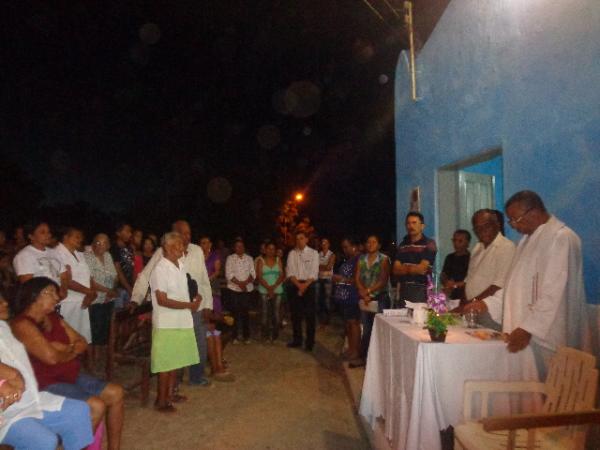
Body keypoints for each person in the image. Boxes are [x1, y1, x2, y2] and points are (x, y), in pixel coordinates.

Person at [11, 277, 124, 450]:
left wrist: (63, 349)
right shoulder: (22, 324)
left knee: (116, 392)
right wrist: (68, 349)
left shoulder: (53, 317)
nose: (57, 298)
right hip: (46, 381)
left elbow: (82, 342)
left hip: (70, 374)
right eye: (52, 293)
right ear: (36, 295)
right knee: (95, 405)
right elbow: (51, 358)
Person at [501, 191, 586, 378]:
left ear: (534, 212)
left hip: (546, 332)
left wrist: (528, 328)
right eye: (511, 221)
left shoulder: (562, 238)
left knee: (554, 388)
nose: (514, 226)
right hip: (524, 330)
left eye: (516, 219)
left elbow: (555, 290)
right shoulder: (526, 240)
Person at [0, 291, 94, 450]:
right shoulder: (20, 324)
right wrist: (8, 377)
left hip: (29, 397)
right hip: (7, 411)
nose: (5, 303)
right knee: (44, 441)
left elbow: (78, 344)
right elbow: (50, 357)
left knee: (79, 411)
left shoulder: (3, 326)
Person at [132, 220, 213, 387]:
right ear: (173, 235)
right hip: (175, 311)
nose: (186, 237)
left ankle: (196, 377)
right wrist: (136, 298)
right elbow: (145, 276)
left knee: (198, 344)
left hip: (195, 308)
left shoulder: (196, 251)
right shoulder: (162, 255)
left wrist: (207, 305)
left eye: (189, 233)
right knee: (177, 349)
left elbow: (203, 280)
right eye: (182, 233)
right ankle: (173, 386)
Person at [148, 232, 201, 411]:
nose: (183, 247)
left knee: (176, 361)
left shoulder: (180, 265)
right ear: (169, 248)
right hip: (166, 323)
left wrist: (195, 298)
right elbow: (162, 299)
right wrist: (189, 305)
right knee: (166, 365)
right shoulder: (160, 269)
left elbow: (184, 290)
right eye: (179, 245)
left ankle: (170, 394)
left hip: (181, 320)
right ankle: (161, 401)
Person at [462, 210, 516, 330]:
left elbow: (498, 286)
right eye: (477, 228)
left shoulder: (506, 247)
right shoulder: (477, 248)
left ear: (497, 225)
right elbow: (469, 280)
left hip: (490, 311)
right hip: (471, 310)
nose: (482, 231)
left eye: (486, 226)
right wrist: (465, 304)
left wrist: (473, 302)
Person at [199, 235, 233, 381]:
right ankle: (215, 364)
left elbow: (217, 271)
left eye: (206, 242)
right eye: (201, 243)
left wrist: (207, 280)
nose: (204, 245)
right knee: (210, 327)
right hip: (202, 294)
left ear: (210, 244)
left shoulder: (214, 255)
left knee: (215, 327)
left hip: (213, 291)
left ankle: (217, 362)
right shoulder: (197, 258)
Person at [84, 234, 119, 371]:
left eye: (103, 243)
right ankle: (91, 361)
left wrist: (112, 290)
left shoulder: (108, 256)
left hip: (108, 299)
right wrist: (107, 291)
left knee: (104, 329)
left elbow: (115, 276)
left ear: (108, 245)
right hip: (95, 298)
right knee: (92, 330)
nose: (100, 245)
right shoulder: (87, 257)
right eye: (97, 242)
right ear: (93, 243)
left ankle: (100, 358)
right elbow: (90, 280)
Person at [355, 235, 391, 367]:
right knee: (366, 329)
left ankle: (378, 362)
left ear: (379, 245)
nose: (370, 244)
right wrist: (363, 292)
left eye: (373, 242)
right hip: (365, 298)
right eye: (368, 242)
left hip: (379, 298)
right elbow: (357, 278)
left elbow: (383, 280)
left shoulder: (384, 259)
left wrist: (368, 292)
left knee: (378, 329)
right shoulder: (361, 259)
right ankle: (364, 357)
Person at [55, 227, 95, 343]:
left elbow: (89, 276)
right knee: (67, 339)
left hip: (83, 301)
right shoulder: (57, 253)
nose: (80, 239)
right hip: (67, 302)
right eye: (76, 236)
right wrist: (89, 292)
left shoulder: (80, 254)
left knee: (81, 339)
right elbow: (66, 280)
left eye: (81, 237)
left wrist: (90, 294)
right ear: (65, 237)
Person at [12, 221, 69, 299]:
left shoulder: (54, 252)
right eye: (43, 232)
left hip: (59, 299)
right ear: (31, 236)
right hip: (41, 302)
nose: (48, 235)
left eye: (49, 232)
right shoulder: (24, 255)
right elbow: (28, 284)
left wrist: (63, 290)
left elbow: (64, 275)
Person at [392, 212, 437, 304]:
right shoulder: (402, 245)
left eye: (414, 223)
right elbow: (395, 270)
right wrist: (413, 269)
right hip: (403, 289)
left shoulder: (429, 244)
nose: (410, 226)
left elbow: (422, 269)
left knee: (418, 317)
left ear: (422, 226)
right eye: (408, 223)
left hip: (421, 289)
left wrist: (404, 268)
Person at [285, 231, 319, 351]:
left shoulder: (314, 253)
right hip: (295, 285)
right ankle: (297, 340)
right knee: (295, 315)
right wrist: (299, 286)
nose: (299, 240)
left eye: (301, 238)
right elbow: (290, 272)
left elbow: (314, 272)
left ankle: (310, 342)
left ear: (306, 240)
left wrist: (304, 286)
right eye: (297, 238)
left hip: (309, 285)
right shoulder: (291, 254)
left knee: (310, 316)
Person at [332, 238, 361, 363]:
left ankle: (355, 351)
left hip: (352, 296)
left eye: (346, 247)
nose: (344, 249)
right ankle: (350, 348)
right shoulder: (348, 260)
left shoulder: (358, 260)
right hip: (345, 298)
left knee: (353, 323)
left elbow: (357, 280)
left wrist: (341, 279)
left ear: (353, 246)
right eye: (343, 247)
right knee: (348, 324)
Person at [225, 239, 255, 344]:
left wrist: (245, 283)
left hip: (247, 289)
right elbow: (229, 274)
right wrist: (240, 284)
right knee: (234, 313)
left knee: (245, 313)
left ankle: (247, 336)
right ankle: (235, 336)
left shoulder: (249, 259)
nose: (240, 248)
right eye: (237, 246)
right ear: (234, 248)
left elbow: (253, 273)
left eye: (241, 246)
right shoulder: (230, 258)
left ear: (244, 247)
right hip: (234, 289)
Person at [256, 241, 285, 342]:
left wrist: (273, 288)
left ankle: (275, 334)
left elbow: (281, 275)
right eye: (269, 248)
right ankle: (265, 334)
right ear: (265, 249)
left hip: (277, 290)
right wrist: (268, 288)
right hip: (264, 290)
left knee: (276, 313)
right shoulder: (261, 261)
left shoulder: (278, 260)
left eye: (273, 249)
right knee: (265, 313)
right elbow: (259, 276)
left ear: (275, 250)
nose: (271, 251)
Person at [440, 230, 471, 301]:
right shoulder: (449, 257)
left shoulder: (472, 259)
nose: (456, 243)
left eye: (460, 241)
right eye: (454, 240)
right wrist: (446, 283)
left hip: (465, 297)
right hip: (450, 296)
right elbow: (443, 275)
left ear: (467, 243)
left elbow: (471, 280)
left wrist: (455, 285)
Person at [110, 223, 134, 306]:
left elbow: (132, 268)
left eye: (130, 232)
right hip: (119, 289)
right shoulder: (114, 248)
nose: (130, 234)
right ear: (118, 233)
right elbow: (118, 271)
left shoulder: (129, 248)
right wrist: (129, 289)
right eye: (127, 231)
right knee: (119, 316)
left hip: (130, 287)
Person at [317, 238, 335, 325]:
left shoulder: (332, 254)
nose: (324, 244)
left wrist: (320, 266)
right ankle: (321, 318)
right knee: (319, 299)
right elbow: (315, 266)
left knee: (327, 300)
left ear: (329, 244)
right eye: (322, 243)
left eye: (325, 243)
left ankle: (327, 318)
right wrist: (324, 266)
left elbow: (329, 267)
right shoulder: (318, 254)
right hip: (319, 278)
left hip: (328, 279)